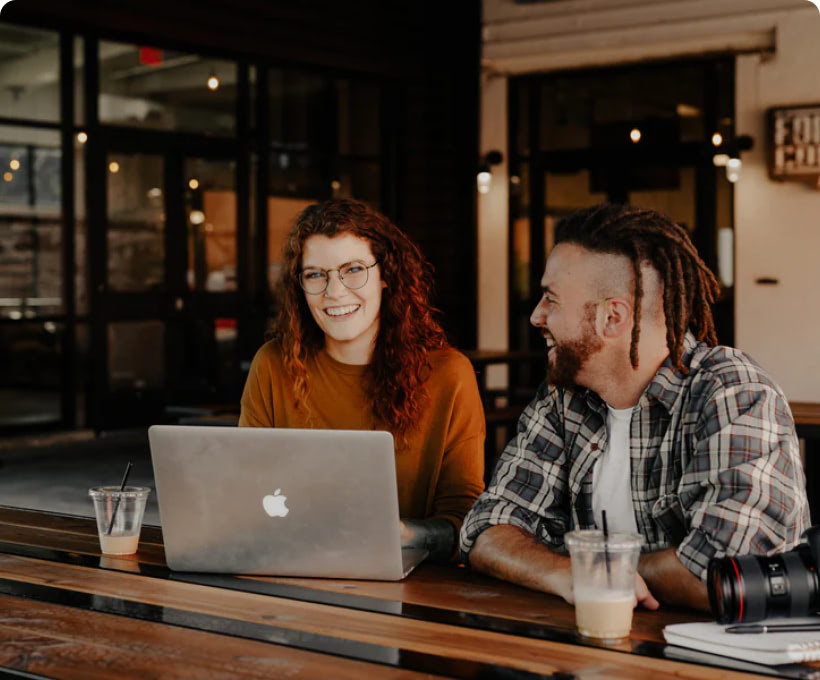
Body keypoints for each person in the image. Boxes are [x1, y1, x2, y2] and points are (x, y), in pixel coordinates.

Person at [459, 203, 810, 611]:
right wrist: (564, 574)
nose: (537, 316)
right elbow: (486, 530)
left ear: (613, 317)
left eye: (551, 300)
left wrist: (594, 571)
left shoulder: (734, 392)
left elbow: (725, 571)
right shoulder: (564, 396)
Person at [240, 198, 485, 562]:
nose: (334, 292)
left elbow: (464, 517)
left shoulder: (449, 374)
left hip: (411, 585)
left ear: (386, 276)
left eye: (353, 269)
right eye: (315, 274)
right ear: (300, 286)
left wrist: (402, 534)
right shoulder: (273, 365)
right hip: (288, 566)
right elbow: (242, 489)